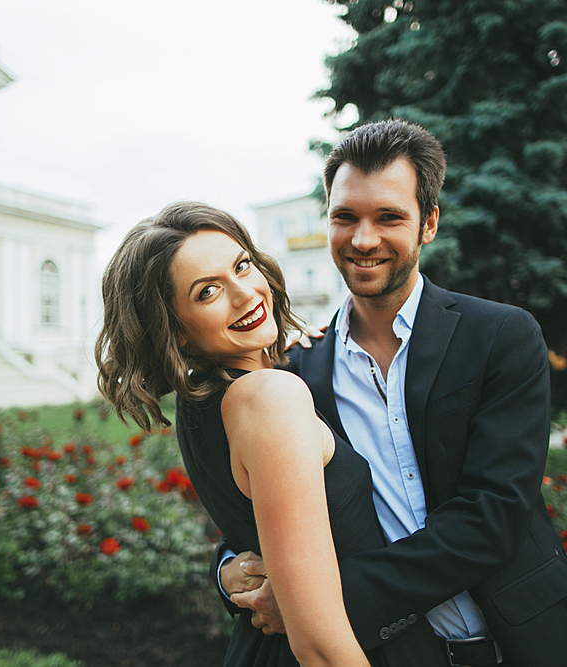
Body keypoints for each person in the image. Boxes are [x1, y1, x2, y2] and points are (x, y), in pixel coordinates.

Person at [216, 119, 567, 666]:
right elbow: (266, 507)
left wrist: (317, 602)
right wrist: (228, 570)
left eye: (389, 217)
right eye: (345, 217)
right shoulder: (294, 373)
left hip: (522, 644)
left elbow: (493, 516)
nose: (363, 239)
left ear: (428, 223)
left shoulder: (501, 336)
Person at [95, 202, 433, 666]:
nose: (245, 294)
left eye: (241, 266)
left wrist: (227, 571)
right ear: (177, 334)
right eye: (208, 292)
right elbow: (317, 643)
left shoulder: (205, 404)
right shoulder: (270, 398)